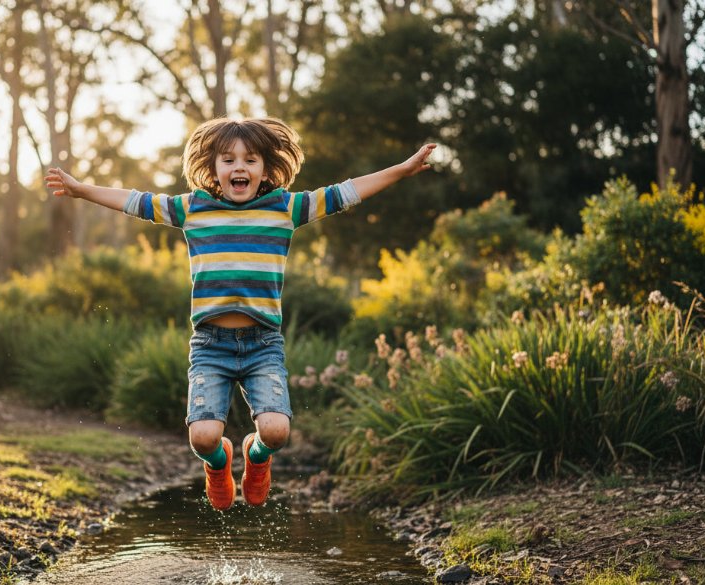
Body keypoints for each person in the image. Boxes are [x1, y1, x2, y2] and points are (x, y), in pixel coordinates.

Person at [45, 117, 436, 511]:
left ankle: (256, 455)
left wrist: (402, 169)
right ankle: (220, 464)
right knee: (203, 438)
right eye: (228, 160)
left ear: (265, 168)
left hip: (262, 344)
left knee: (276, 430)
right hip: (210, 345)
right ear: (213, 168)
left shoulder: (285, 207)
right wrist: (82, 190)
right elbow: (136, 202)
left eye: (250, 160)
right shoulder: (193, 209)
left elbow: (345, 193)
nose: (239, 168)